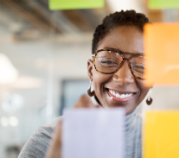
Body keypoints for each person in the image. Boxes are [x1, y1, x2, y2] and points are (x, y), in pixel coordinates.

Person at [18, 10, 152, 158]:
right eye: (108, 61)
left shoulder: (163, 139)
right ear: (91, 71)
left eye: (141, 66)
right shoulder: (48, 142)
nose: (124, 78)